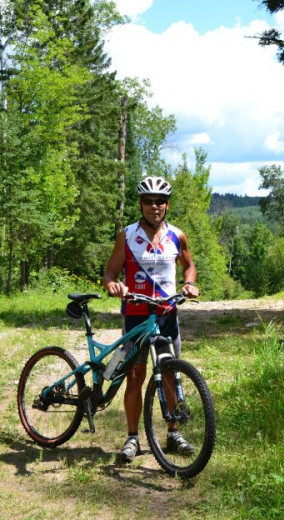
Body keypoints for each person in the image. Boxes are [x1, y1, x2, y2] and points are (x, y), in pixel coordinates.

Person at [102, 176, 200, 463]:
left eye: (159, 201)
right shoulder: (127, 235)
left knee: (170, 373)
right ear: (140, 204)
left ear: (166, 205)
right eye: (148, 201)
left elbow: (189, 266)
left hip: (167, 314)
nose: (154, 206)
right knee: (136, 376)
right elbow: (110, 273)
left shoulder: (177, 236)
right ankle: (133, 438)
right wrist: (113, 286)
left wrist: (190, 283)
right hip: (136, 314)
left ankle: (173, 433)